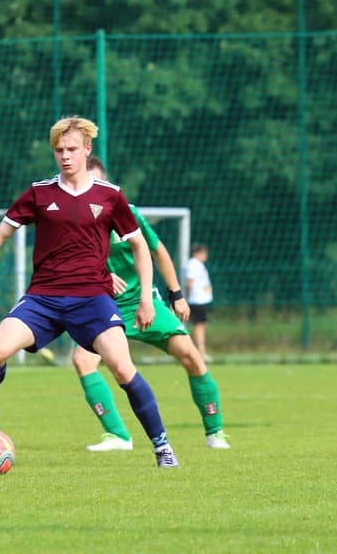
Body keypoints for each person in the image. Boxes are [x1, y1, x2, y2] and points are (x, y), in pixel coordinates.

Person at [0, 116, 180, 468]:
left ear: (87, 149)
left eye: (72, 149)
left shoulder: (110, 196)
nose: (65, 156)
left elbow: (140, 246)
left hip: (93, 299)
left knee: (123, 369)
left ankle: (162, 447)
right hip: (43, 298)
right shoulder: (40, 193)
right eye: (59, 150)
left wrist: (145, 300)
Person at [71, 156, 230, 452]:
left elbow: (157, 251)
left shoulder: (127, 213)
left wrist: (176, 294)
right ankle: (118, 436)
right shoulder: (72, 222)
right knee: (83, 360)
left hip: (144, 303)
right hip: (103, 308)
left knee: (192, 357)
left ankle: (215, 432)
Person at [184, 243, 213, 361]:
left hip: (199, 300)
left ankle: (198, 352)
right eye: (204, 253)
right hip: (196, 300)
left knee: (199, 325)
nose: (206, 256)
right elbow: (189, 282)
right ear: (198, 253)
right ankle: (200, 352)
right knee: (199, 326)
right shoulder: (193, 264)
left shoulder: (198, 265)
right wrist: (187, 297)